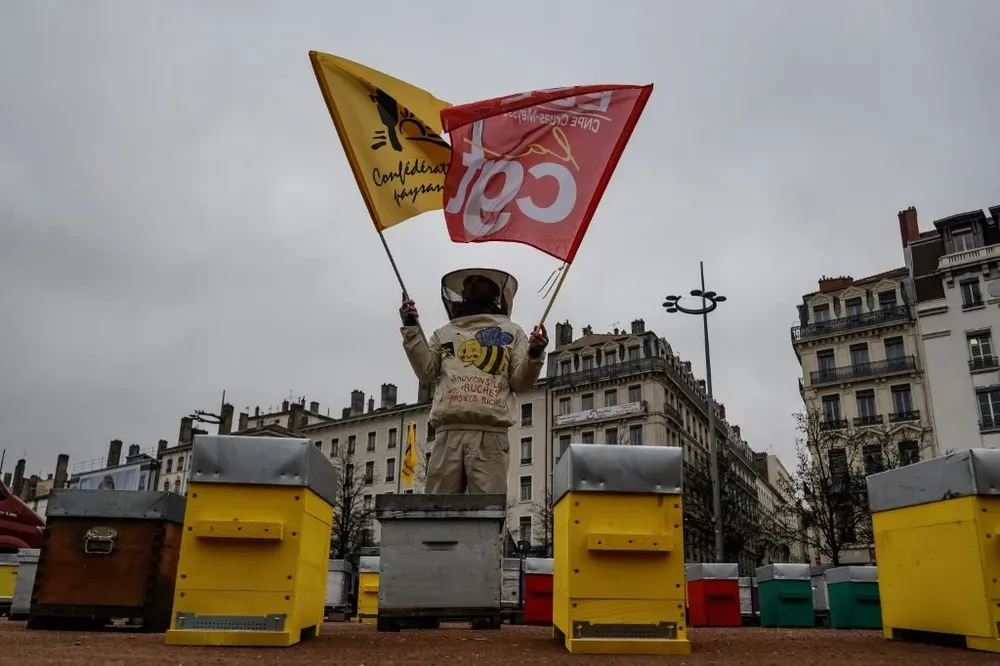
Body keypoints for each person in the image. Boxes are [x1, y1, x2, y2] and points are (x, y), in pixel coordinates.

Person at [400, 268, 548, 495]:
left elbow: (520, 382)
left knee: (488, 512)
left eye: (480, 282)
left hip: (490, 432)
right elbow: (426, 371)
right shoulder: (445, 332)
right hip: (450, 430)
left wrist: (534, 354)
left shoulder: (512, 331)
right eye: (471, 283)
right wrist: (411, 327)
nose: (474, 286)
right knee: (439, 509)